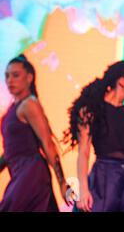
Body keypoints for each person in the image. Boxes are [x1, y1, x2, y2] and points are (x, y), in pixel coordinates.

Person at [64, 61, 124, 212]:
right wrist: (83, 189)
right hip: (106, 181)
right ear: (122, 81)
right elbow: (83, 153)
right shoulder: (91, 112)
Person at [0, 54, 71, 212]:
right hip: (19, 171)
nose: (10, 80)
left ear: (29, 77)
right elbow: (12, 150)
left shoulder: (29, 104)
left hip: (31, 172)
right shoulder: (14, 108)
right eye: (7, 76)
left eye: (16, 75)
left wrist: (62, 182)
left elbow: (47, 143)